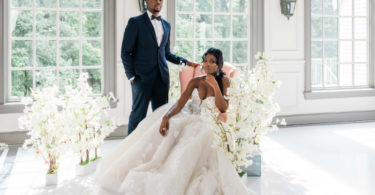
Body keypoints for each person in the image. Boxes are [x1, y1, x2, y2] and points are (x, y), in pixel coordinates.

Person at [96, 48, 254, 195]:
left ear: (219, 64)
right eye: (205, 60)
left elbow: (224, 108)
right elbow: (180, 102)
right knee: (165, 129)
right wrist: (166, 117)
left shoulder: (224, 81)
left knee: (197, 139)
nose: (207, 64)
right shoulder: (196, 81)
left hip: (206, 121)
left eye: (212, 61)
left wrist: (216, 87)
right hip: (187, 115)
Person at [121, 0, 199, 135]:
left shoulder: (166, 25)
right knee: (138, 115)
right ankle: (130, 151)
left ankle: (157, 147)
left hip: (162, 79)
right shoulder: (135, 22)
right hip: (141, 79)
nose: (158, 2)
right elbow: (126, 52)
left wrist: (185, 62)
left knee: (161, 115)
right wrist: (132, 77)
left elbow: (166, 53)